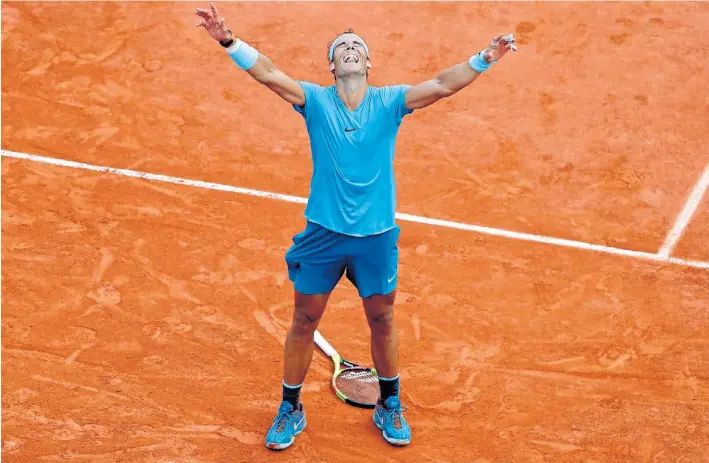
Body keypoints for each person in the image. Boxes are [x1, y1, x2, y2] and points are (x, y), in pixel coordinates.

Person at [195, 1, 516, 451]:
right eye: (341, 46)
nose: (349, 49)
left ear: (368, 63)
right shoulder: (315, 101)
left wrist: (484, 59)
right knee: (304, 319)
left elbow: (443, 84)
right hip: (323, 235)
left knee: (382, 320)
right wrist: (227, 40)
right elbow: (268, 73)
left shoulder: (390, 103)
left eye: (357, 46)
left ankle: (390, 403)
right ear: (332, 65)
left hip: (376, 237)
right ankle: (290, 408)